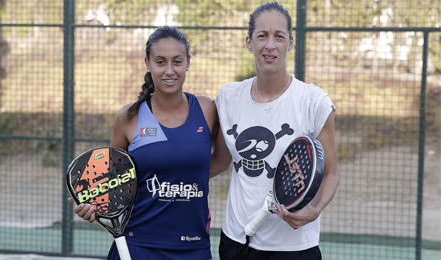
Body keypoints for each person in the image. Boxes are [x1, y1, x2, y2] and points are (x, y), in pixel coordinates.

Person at [71, 26, 224, 260]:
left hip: (193, 247)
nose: (169, 71)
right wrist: (92, 203)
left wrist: (183, 177)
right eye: (160, 62)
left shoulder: (207, 109)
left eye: (177, 61)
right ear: (147, 63)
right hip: (138, 245)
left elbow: (222, 160)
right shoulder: (128, 117)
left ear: (188, 63)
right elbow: (112, 180)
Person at [212, 2, 340, 260]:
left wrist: (313, 211)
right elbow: (221, 162)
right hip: (236, 243)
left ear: (290, 42)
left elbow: (332, 173)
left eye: (279, 36)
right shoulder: (228, 97)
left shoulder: (313, 102)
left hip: (294, 249)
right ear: (249, 42)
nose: (270, 45)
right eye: (262, 35)